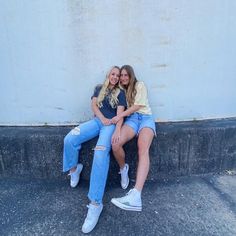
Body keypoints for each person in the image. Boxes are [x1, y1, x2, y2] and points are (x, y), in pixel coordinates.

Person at [63, 66, 127, 233]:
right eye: (113, 74)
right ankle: (74, 169)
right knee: (70, 138)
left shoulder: (121, 93)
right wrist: (102, 119)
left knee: (100, 153)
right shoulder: (99, 88)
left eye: (118, 75)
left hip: (110, 127)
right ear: (108, 75)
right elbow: (94, 106)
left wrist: (117, 128)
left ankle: (95, 204)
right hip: (98, 122)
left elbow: (120, 114)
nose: (115, 77)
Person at [110, 65, 156, 212]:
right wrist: (118, 127)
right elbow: (121, 108)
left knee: (143, 148)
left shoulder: (140, 85)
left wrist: (120, 116)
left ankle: (136, 196)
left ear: (131, 75)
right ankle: (123, 169)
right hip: (132, 120)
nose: (123, 78)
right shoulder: (121, 90)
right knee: (115, 144)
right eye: (121, 75)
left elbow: (138, 106)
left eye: (125, 75)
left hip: (145, 118)